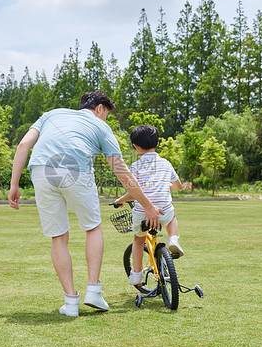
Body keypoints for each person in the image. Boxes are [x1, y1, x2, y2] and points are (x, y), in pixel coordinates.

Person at [8, 91, 163, 317]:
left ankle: (70, 303)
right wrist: (148, 205)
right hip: (76, 169)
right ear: (100, 108)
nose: (105, 119)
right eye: (107, 114)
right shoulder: (100, 126)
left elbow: (23, 145)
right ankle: (93, 291)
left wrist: (14, 184)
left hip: (41, 170)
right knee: (92, 227)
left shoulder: (50, 115)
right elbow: (121, 171)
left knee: (59, 237)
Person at [114, 125, 184, 286]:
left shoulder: (135, 167)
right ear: (158, 143)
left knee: (138, 240)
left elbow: (133, 192)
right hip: (164, 211)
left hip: (143, 213)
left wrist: (121, 200)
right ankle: (172, 238)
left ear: (134, 146)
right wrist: (165, 186)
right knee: (172, 217)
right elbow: (178, 185)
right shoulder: (166, 163)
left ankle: (137, 275)